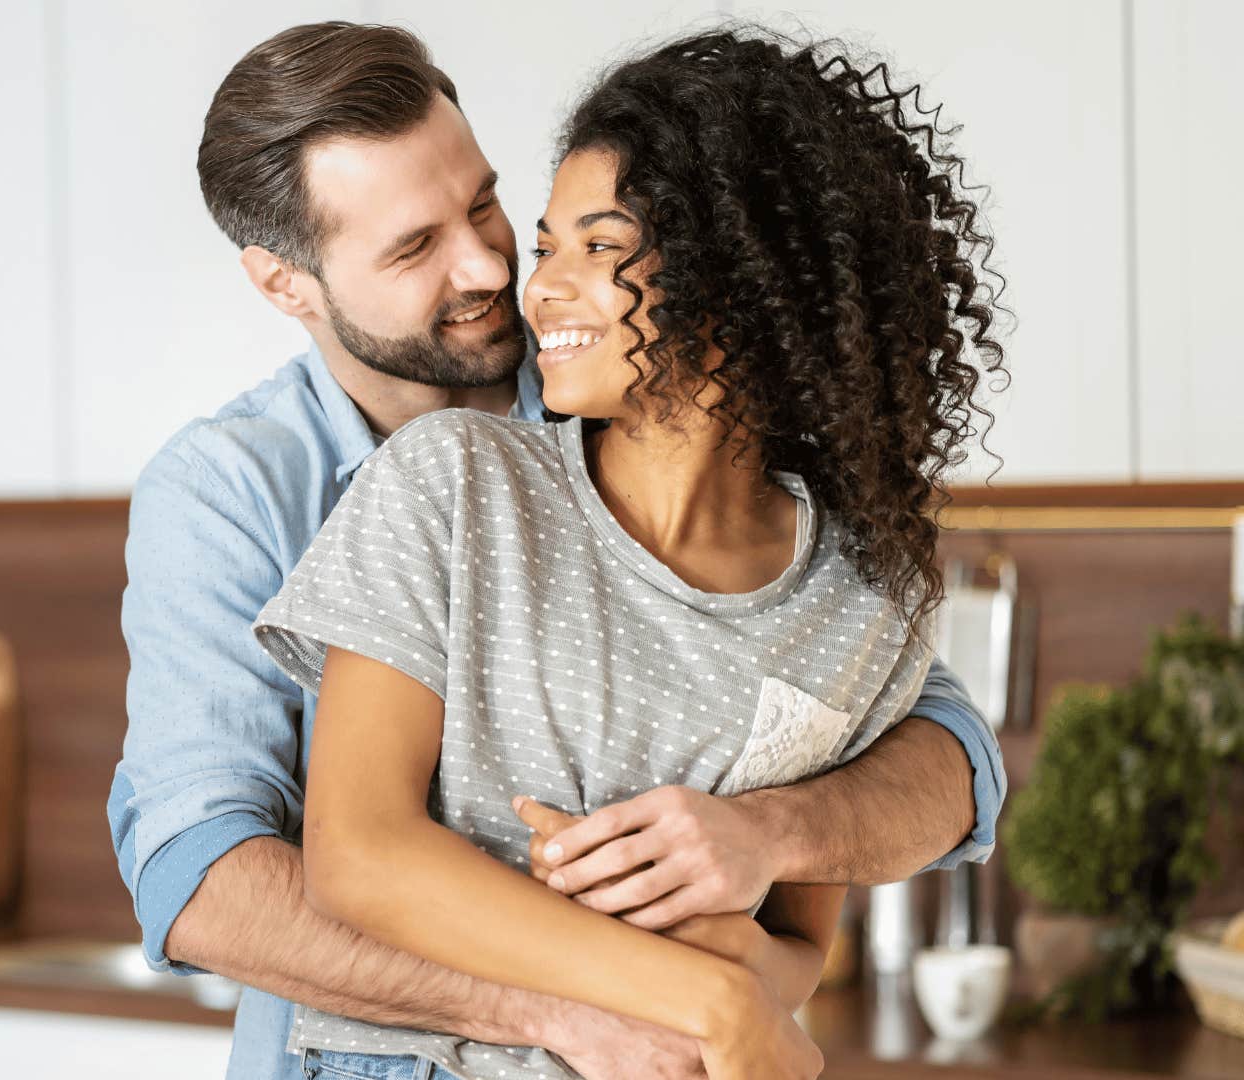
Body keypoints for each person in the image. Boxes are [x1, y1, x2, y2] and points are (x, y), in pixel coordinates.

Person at [109, 21, 1004, 1080]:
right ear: (285, 283)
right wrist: (587, 1009)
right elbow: (204, 878)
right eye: (414, 246)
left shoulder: (643, 384)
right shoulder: (236, 489)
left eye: (485, 205)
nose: (490, 265)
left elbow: (933, 751)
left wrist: (767, 850)